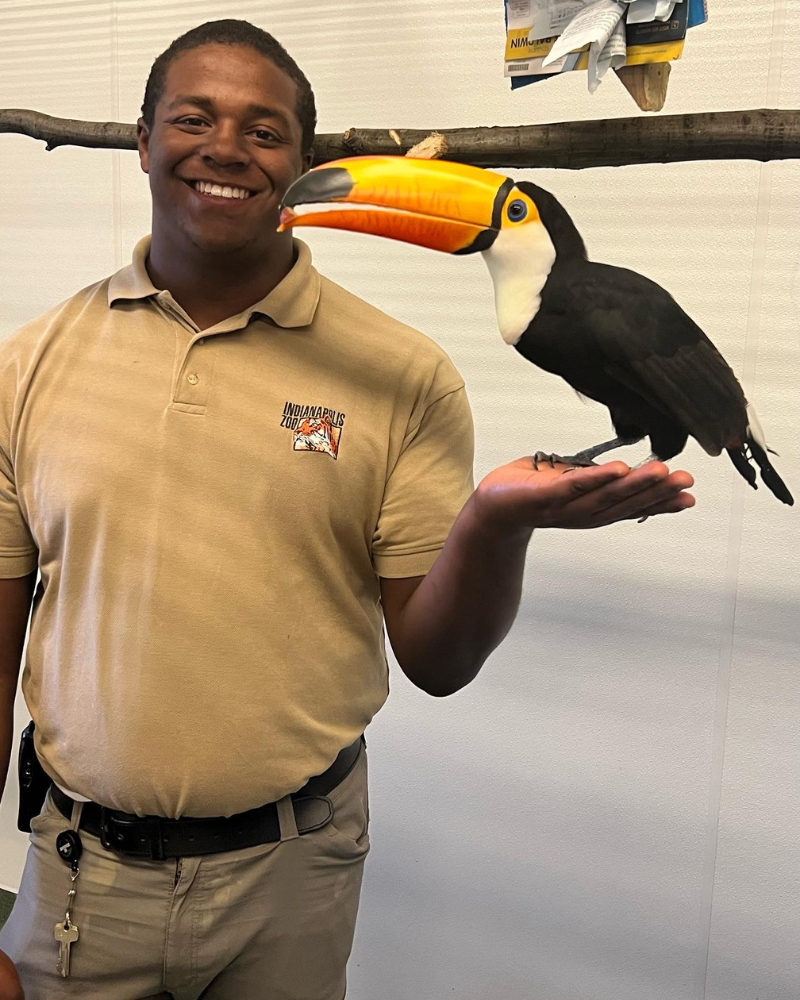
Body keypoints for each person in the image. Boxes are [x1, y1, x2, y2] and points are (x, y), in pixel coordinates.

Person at [0, 18, 695, 1000]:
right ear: (144, 138)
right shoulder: (27, 366)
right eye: (193, 118)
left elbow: (435, 658)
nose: (226, 148)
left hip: (292, 875)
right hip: (80, 878)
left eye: (265, 130)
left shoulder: (400, 375)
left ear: (300, 163)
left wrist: (492, 525)